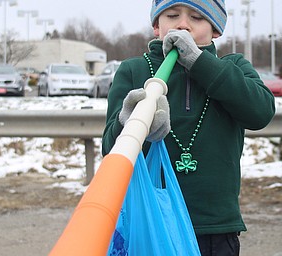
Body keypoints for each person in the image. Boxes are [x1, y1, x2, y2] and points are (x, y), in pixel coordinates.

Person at [102, 0, 276, 255]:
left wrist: (198, 61)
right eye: (172, 15)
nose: (183, 24)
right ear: (156, 26)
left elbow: (260, 113)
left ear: (215, 30)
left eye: (196, 17)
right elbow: (110, 148)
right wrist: (129, 120)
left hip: (216, 227)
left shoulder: (234, 67)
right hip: (150, 224)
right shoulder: (134, 70)